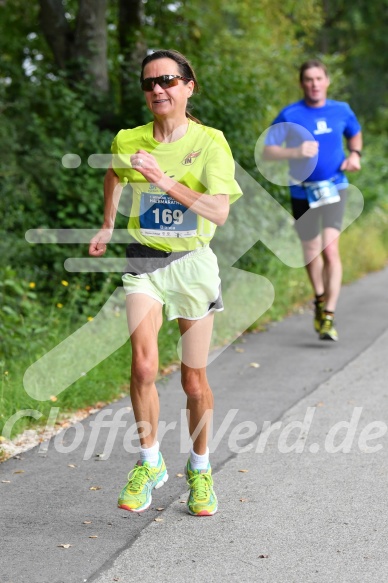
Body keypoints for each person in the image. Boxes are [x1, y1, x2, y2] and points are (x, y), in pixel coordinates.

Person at [89, 49, 242, 516]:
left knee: (194, 382)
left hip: (193, 264)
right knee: (142, 367)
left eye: (168, 80)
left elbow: (218, 211)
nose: (158, 89)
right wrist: (108, 224)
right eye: (150, 83)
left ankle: (199, 468)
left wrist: (162, 179)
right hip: (144, 263)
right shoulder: (129, 139)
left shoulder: (211, 142)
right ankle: (150, 462)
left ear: (188, 87)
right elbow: (114, 174)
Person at [263, 59, 362, 341]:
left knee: (330, 249)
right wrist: (295, 153)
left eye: (318, 78)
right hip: (302, 190)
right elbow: (269, 151)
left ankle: (328, 315)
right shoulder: (291, 114)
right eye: (308, 79)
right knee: (310, 249)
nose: (314, 84)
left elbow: (354, 135)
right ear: (301, 83)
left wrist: (355, 155)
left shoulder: (341, 110)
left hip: (335, 187)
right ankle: (319, 298)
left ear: (327, 81)